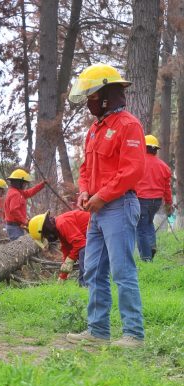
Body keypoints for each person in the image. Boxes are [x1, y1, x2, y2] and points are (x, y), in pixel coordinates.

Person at [66, 62, 146, 348]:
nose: (88, 102)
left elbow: (132, 171)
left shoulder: (129, 125)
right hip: (97, 210)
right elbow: (86, 168)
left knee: (122, 271)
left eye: (91, 96)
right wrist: (85, 192)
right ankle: (98, 331)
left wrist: (102, 196)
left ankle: (133, 335)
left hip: (119, 206)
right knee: (93, 271)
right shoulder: (94, 130)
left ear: (104, 95)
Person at [136, 135, 174, 261]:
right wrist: (169, 205)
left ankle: (146, 258)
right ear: (155, 149)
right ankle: (151, 246)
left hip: (141, 200)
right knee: (148, 223)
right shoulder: (163, 166)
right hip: (156, 202)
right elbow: (167, 189)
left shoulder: (138, 163)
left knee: (140, 228)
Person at [28, 210, 91, 286]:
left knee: (83, 251)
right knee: (81, 251)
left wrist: (71, 258)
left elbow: (81, 244)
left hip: (99, 231)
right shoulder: (59, 228)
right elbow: (67, 250)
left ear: (45, 229)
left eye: (44, 236)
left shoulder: (62, 223)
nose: (47, 238)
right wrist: (62, 277)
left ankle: (85, 285)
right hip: (92, 237)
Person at [4, 168, 46, 239]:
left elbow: (29, 192)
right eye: (24, 183)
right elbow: (14, 210)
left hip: (15, 226)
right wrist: (25, 221)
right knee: (18, 247)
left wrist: (42, 185)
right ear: (19, 182)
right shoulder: (16, 194)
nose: (25, 185)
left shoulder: (16, 192)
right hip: (15, 228)